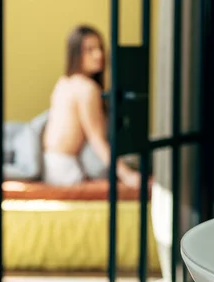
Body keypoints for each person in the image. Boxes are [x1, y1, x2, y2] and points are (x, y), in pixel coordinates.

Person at [42, 25, 141, 188]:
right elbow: (97, 141)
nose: (99, 55)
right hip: (65, 170)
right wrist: (127, 176)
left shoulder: (64, 82)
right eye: (89, 50)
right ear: (75, 54)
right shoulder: (87, 88)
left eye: (100, 48)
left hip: (51, 165)